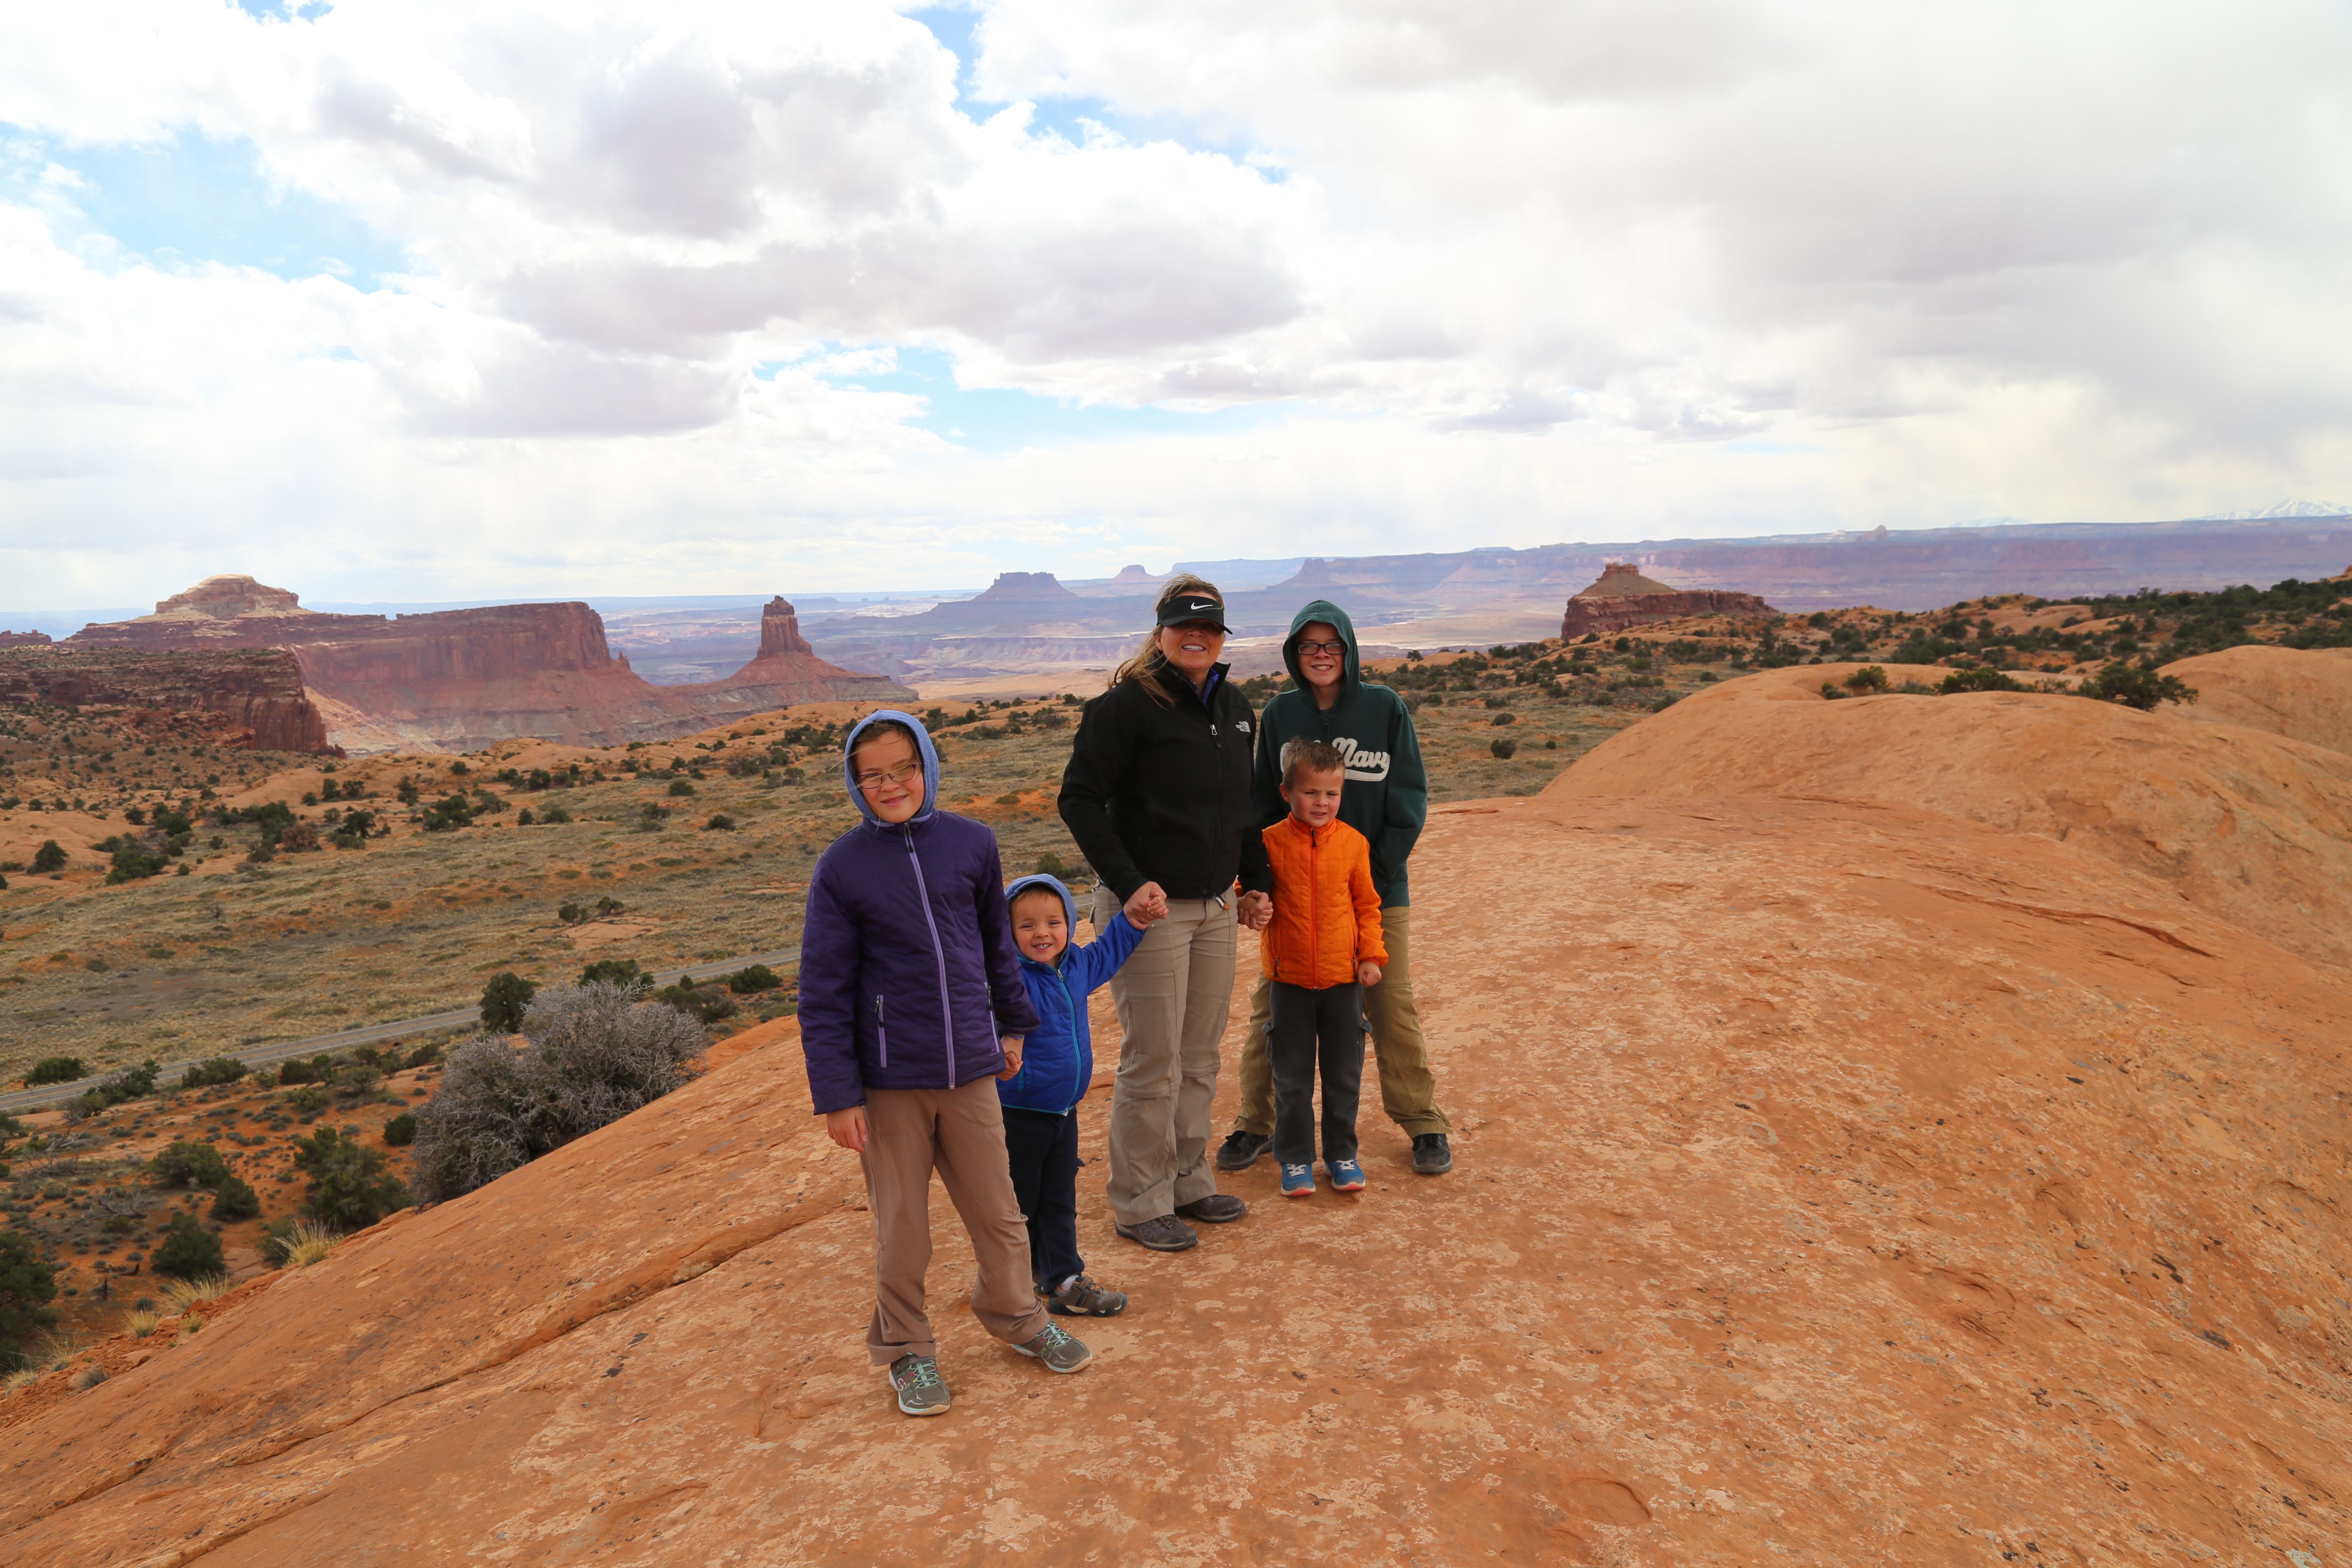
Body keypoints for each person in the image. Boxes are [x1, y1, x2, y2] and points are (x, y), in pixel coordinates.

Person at [799, 710, 1093, 1418]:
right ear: (854, 783)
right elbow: (824, 986)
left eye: (903, 766)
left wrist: (1014, 1023)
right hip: (890, 1078)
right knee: (903, 1229)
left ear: (927, 764)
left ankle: (1019, 1318)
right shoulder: (841, 867)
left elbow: (996, 947)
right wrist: (839, 1093)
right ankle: (906, 1349)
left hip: (969, 1067)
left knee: (999, 1212)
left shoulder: (971, 843)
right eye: (873, 774)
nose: (891, 782)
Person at [1058, 576, 1273, 1253]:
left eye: (1209, 629)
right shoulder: (1124, 709)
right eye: (1184, 626)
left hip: (1211, 907)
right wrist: (1130, 882)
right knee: (1154, 1057)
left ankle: (1187, 1180)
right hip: (1147, 911)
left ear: (1221, 637)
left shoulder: (1236, 709)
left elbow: (1247, 811)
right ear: (1161, 633)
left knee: (1200, 1055)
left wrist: (1255, 885)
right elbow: (1081, 800)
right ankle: (1139, 1200)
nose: (1197, 637)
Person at [1218, 600, 1457, 1177]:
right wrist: (1258, 886)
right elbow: (1261, 805)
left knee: (1389, 1001)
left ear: (1348, 650)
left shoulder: (1385, 709)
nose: (1320, 656)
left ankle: (1423, 1122)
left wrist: (1369, 877)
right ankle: (1257, 1122)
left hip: (1375, 890)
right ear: (1295, 654)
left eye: (1331, 646)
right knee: (1272, 1008)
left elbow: (1409, 800)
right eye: (1309, 646)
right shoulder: (1278, 714)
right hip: (1297, 898)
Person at [998, 872, 1161, 1315]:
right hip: (1018, 1111)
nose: (1042, 933)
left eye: (1053, 922)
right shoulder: (1007, 981)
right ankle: (1017, 1281)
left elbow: (1109, 952)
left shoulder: (1076, 966)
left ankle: (1064, 1280)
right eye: (1026, 925)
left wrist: (1136, 920)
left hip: (1063, 1109)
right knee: (1020, 1203)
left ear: (1070, 924)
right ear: (1006, 932)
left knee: (1058, 1199)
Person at [1257, 738, 1387, 1196]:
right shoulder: (1268, 843)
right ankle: (1294, 1159)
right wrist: (1248, 904)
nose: (1322, 802)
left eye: (1332, 793)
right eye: (1311, 792)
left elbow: (1367, 906)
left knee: (1343, 1075)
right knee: (1290, 1078)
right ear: (1286, 792)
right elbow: (1248, 892)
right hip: (1288, 980)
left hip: (1343, 980)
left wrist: (1371, 955)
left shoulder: (1353, 844)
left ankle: (1341, 1154)